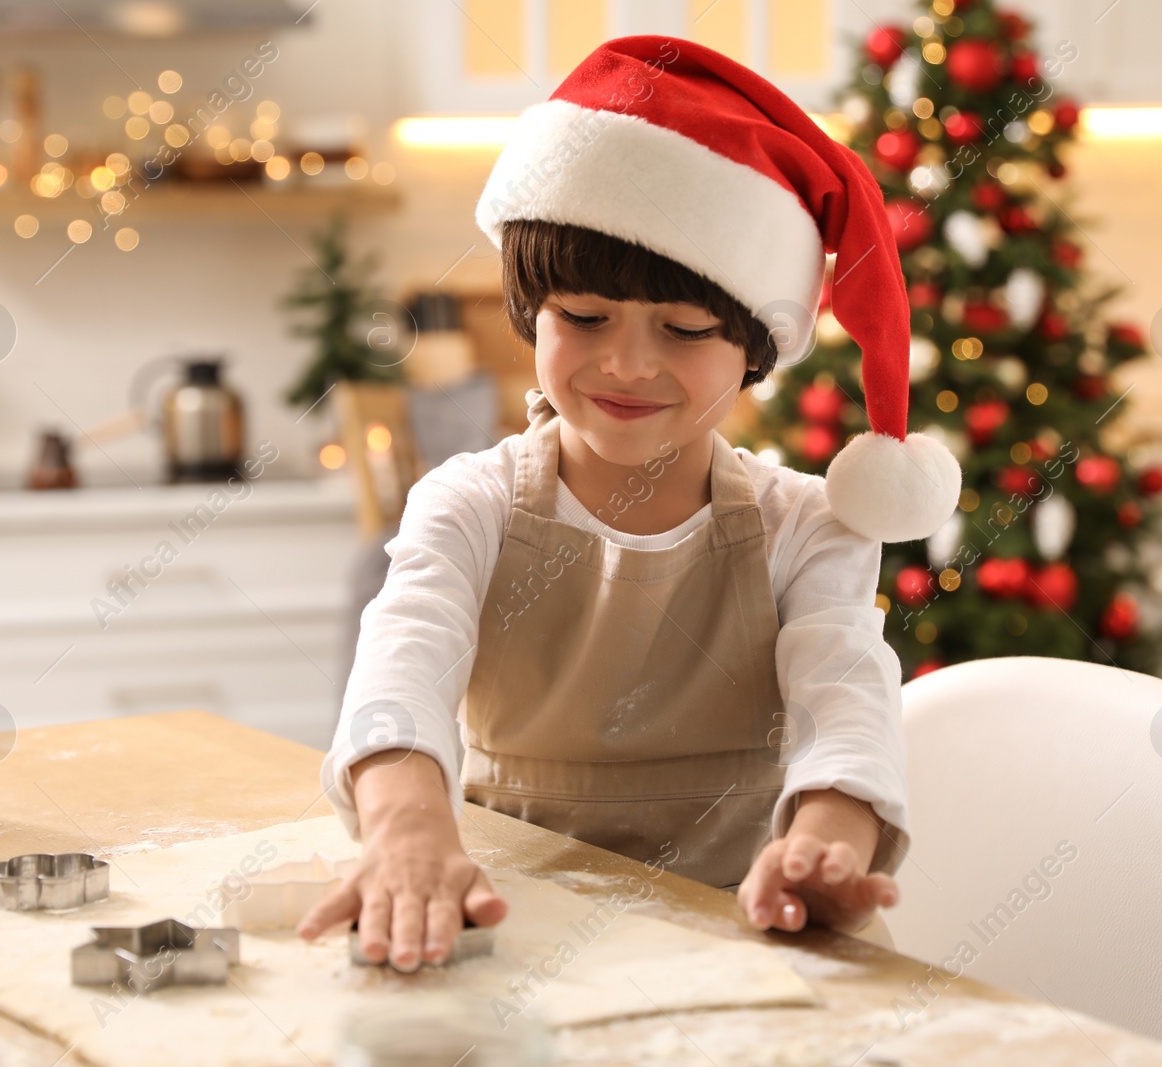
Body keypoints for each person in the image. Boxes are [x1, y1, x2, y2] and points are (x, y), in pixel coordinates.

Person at [300, 35, 961, 971]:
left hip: (749, 938)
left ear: (754, 349)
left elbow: (845, 700)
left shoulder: (807, 528)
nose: (628, 364)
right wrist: (408, 830)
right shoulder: (469, 504)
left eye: (685, 329)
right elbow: (399, 673)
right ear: (532, 313)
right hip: (511, 928)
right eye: (583, 317)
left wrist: (829, 842)